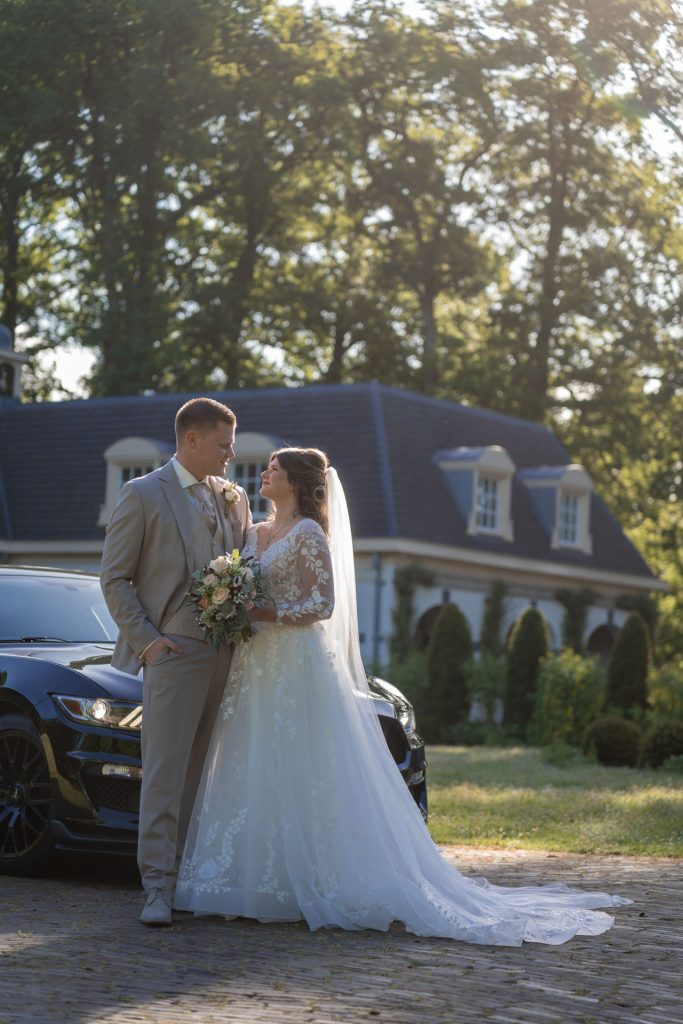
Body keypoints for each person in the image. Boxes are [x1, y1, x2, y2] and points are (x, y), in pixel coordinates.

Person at [174, 447, 630, 945]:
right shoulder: (257, 533)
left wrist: (260, 613)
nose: (264, 474)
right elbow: (242, 582)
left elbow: (322, 604)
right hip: (256, 663)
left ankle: (307, 880)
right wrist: (230, 597)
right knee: (253, 757)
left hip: (296, 661)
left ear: (298, 483)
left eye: (274, 469)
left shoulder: (308, 534)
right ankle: (244, 878)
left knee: (303, 761)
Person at [100, 397, 251, 927]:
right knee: (164, 773)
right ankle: (156, 888)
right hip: (173, 651)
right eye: (224, 444)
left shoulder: (234, 499)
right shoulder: (141, 494)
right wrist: (150, 643)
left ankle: (190, 878)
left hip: (226, 655)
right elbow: (114, 579)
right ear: (192, 440)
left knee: (205, 774)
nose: (231, 455)